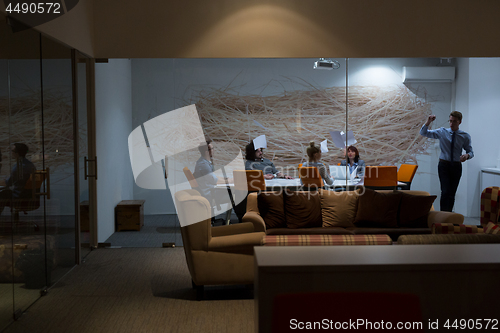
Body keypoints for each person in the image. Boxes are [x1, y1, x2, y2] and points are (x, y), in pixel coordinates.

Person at [419, 111, 474, 212]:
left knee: (452, 193)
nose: (452, 124)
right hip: (444, 165)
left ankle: (448, 216)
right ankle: (442, 215)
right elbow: (423, 133)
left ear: (460, 122)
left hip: (456, 166)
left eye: (454, 121)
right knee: (445, 191)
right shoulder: (442, 132)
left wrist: (467, 155)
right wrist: (428, 122)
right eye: (450, 121)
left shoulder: (465, 136)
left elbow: (470, 151)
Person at [0, 143, 36, 215]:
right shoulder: (30, 164)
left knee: (2, 194)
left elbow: (8, 183)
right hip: (29, 197)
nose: (11, 153)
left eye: (12, 151)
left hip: (20, 198)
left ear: (17, 153)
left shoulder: (18, 167)